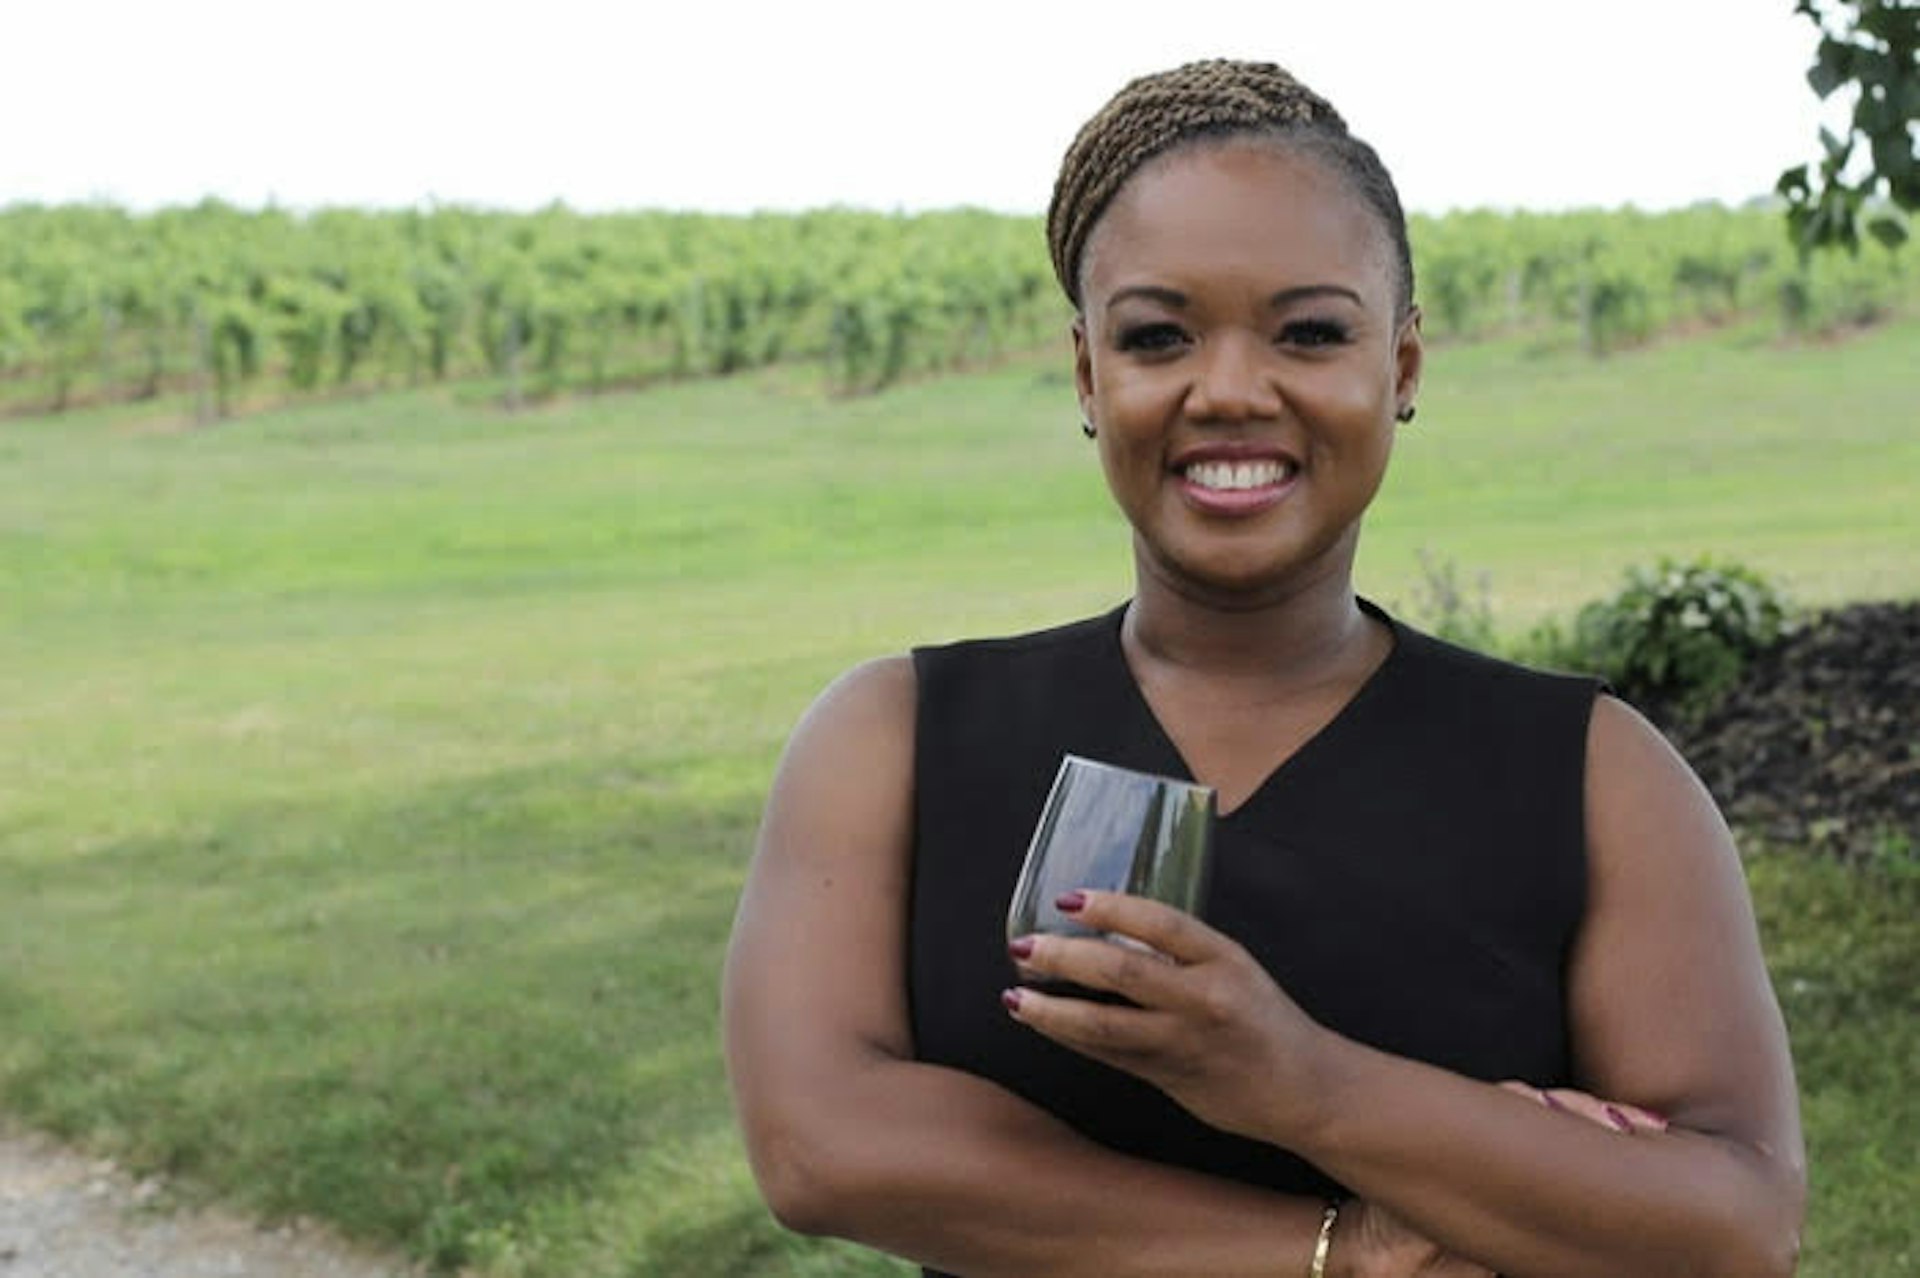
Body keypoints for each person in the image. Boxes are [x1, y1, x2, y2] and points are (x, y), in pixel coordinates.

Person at [723, 59, 1804, 1278]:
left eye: (1308, 331)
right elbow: (823, 1147)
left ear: (1400, 369)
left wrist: (1300, 1082)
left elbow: (1735, 1226)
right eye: (1158, 336)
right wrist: (1338, 1250)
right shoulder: (899, 740)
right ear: (1089, 375)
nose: (1230, 390)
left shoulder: (1592, 774)